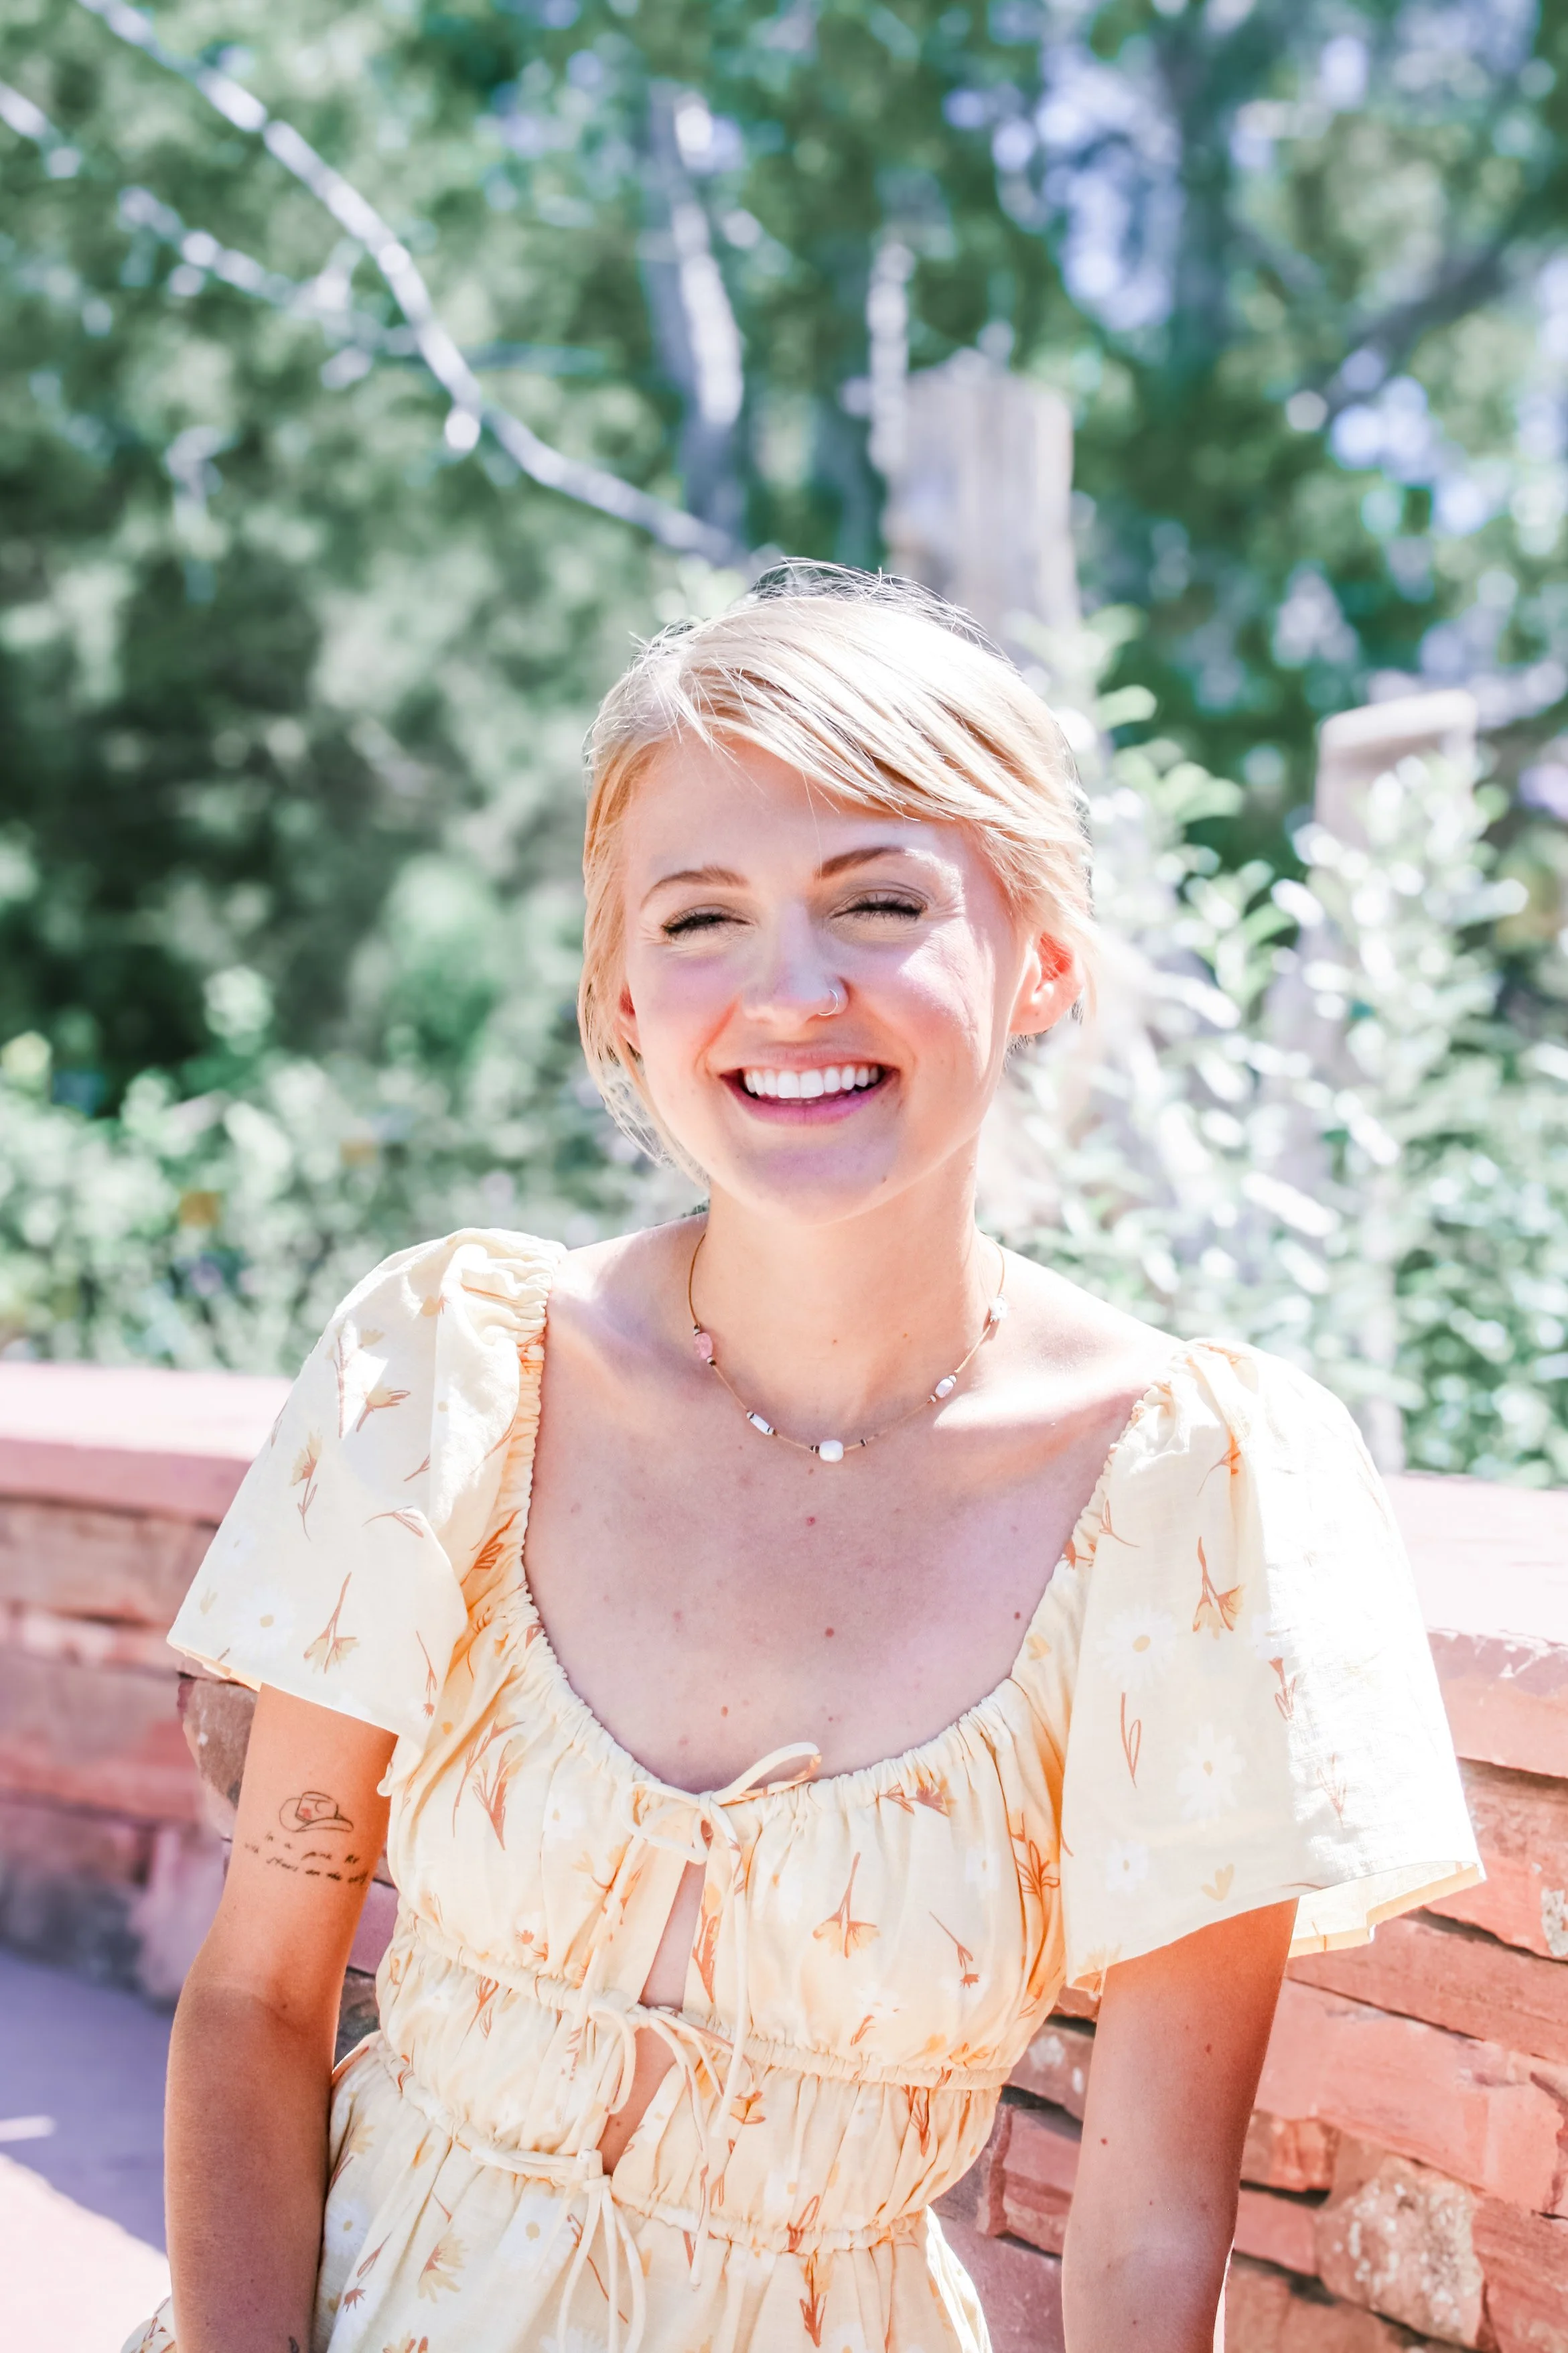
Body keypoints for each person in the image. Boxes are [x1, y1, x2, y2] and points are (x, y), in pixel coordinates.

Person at [127, 567, 1479, 2353]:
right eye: (698, 919)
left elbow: (1152, 2225)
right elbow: (254, 2006)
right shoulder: (452, 1376)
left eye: (878, 900)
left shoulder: (1188, 1499)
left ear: (1042, 960)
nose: (792, 989)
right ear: (615, 996)